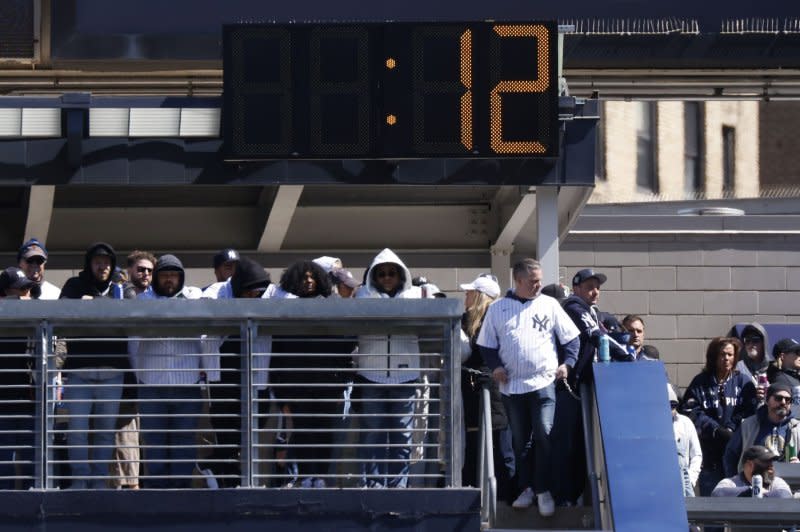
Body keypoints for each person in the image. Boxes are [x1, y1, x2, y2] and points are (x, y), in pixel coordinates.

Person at [477, 259, 580, 516]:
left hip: (544, 382)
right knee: (520, 440)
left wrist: (567, 364)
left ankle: (543, 489)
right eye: (533, 281)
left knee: (544, 433)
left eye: (539, 280)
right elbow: (486, 344)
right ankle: (527, 488)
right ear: (519, 281)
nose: (538, 285)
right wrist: (496, 366)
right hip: (512, 387)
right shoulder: (498, 308)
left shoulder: (550, 304)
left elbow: (571, 338)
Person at [128, 254, 219, 488]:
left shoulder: (194, 297)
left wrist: (208, 375)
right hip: (151, 385)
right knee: (154, 442)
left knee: (184, 441)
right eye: (165, 275)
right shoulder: (142, 301)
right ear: (157, 277)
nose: (169, 280)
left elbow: (207, 335)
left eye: (174, 275)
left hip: (187, 385)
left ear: (181, 278)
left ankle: (181, 491)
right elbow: (133, 342)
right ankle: (157, 492)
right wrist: (138, 379)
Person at [551, 268, 631, 508]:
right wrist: (628, 356)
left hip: (583, 388)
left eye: (597, 287)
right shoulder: (574, 307)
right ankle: (563, 497)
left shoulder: (592, 311)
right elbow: (599, 337)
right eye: (589, 287)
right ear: (576, 289)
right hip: (568, 388)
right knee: (567, 444)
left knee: (581, 445)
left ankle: (575, 496)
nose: (595, 291)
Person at [270, 260, 354, 488]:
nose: (308, 281)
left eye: (312, 277)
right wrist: (280, 391)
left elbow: (344, 345)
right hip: (297, 386)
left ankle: (321, 477)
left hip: (327, 385)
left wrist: (340, 381)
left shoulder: (332, 306)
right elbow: (277, 353)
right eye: (303, 277)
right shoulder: (285, 310)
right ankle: (307, 476)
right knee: (303, 432)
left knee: (324, 431)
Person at [354, 248, 427, 488]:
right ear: (373, 276)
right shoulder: (362, 297)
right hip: (370, 376)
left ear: (400, 276)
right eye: (381, 273)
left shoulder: (418, 296)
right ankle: (374, 486)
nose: (386, 277)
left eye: (391, 273)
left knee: (401, 436)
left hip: (405, 377)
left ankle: (398, 488)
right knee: (372, 436)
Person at [59, 242, 129, 489]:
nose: (103, 266)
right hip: (80, 372)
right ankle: (79, 478)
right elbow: (61, 314)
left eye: (107, 262)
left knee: (105, 431)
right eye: (98, 261)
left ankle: (99, 480)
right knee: (77, 430)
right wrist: (84, 305)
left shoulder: (122, 287)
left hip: (113, 373)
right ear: (89, 264)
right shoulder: (74, 285)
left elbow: (134, 316)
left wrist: (97, 308)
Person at [202, 256, 272, 487]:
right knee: (226, 430)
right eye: (249, 292)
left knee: (256, 421)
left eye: (258, 292)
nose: (254, 296)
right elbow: (202, 304)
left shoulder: (268, 293)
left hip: (255, 374)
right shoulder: (219, 291)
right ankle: (230, 482)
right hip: (224, 374)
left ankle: (215, 467)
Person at [459, 274, 515, 502]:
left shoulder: (497, 321)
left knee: (501, 447)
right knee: (473, 447)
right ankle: (476, 497)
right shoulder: (465, 321)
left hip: (494, 393)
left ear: (480, 296)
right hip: (473, 394)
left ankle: (506, 497)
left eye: (469, 292)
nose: (465, 295)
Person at [681, 337, 758, 495]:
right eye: (722, 354)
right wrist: (715, 429)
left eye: (730, 354)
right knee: (711, 500)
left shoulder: (743, 382)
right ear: (714, 356)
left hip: (736, 455)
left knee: (736, 502)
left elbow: (749, 410)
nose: (726, 358)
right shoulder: (700, 382)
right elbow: (690, 410)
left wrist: (731, 427)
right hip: (709, 457)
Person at [0, 267, 37, 489]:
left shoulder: (35, 322)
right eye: (21, 290)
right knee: (3, 463)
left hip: (27, 401)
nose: (26, 295)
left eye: (28, 290)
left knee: (31, 460)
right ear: (5, 292)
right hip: (3, 404)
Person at [723, 383, 800, 477]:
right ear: (767, 401)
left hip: (788, 485)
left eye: (788, 400)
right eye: (778, 398)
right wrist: (735, 483)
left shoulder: (796, 428)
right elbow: (730, 455)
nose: (783, 402)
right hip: (752, 484)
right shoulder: (748, 425)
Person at [712, 445, 792, 498]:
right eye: (765, 462)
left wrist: (759, 493)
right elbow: (717, 494)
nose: (770, 466)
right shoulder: (731, 483)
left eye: (771, 462)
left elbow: (785, 495)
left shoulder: (776, 481)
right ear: (749, 465)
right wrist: (751, 490)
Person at [668, 383, 702, 497]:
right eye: (668, 405)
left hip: (685, 481)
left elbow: (697, 454)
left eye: (673, 405)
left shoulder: (685, 423)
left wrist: (691, 479)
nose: (671, 409)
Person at [736, 323, 771, 401]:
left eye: (755, 340)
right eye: (747, 341)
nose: (751, 344)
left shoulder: (773, 369)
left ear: (763, 343)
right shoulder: (738, 368)